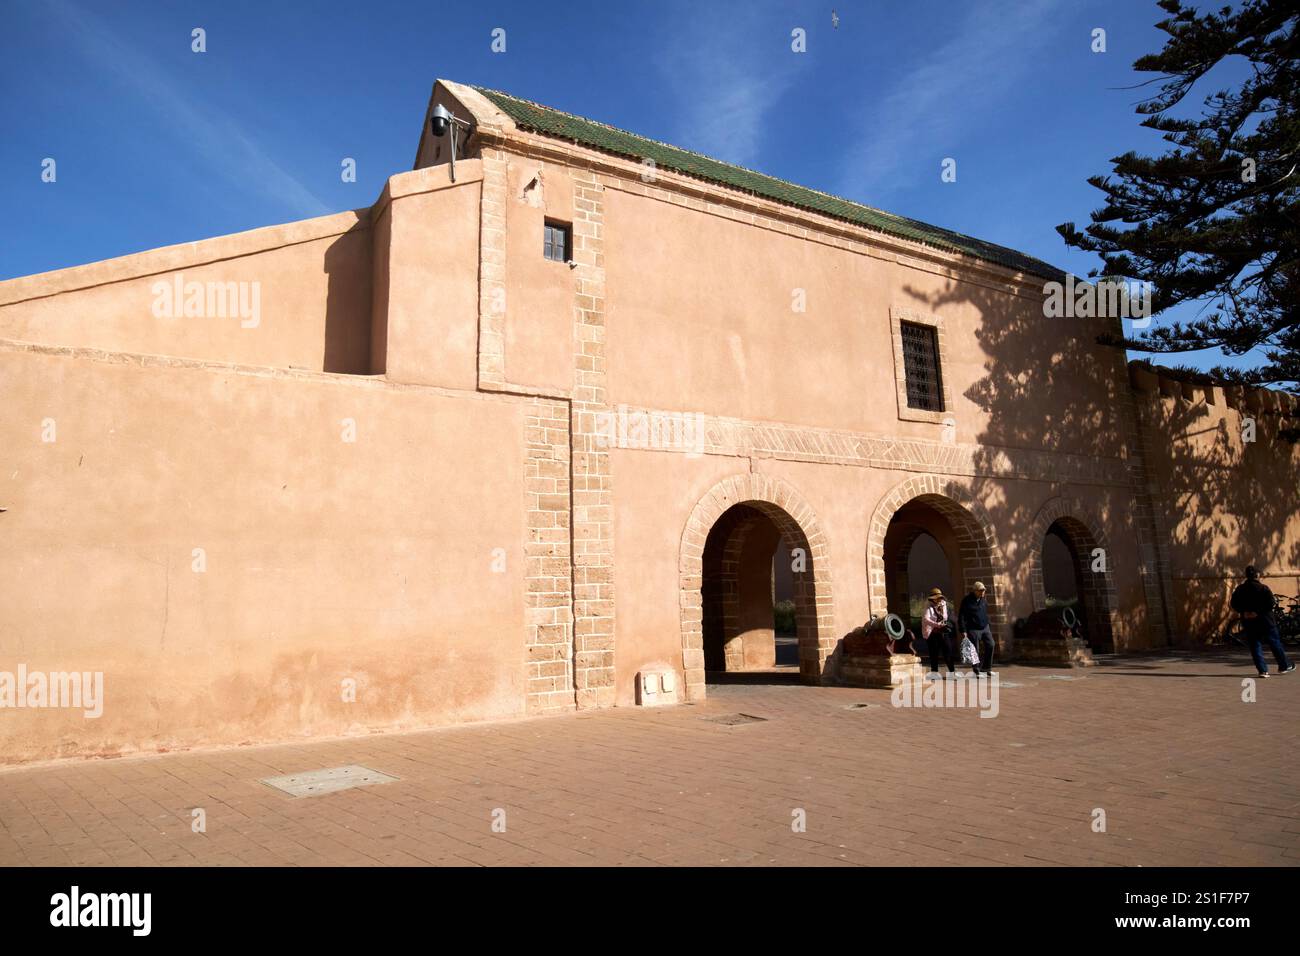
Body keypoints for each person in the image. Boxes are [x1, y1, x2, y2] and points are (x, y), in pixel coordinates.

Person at [1230, 565, 1295, 678]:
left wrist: (1245, 612)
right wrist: (1258, 612)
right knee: (1274, 643)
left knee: (1255, 645)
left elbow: (1234, 603)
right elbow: (1271, 603)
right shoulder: (1263, 588)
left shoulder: (1240, 589)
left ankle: (1263, 670)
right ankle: (1284, 666)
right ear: (1257, 575)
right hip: (1266, 621)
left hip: (1249, 621)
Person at [958, 581, 995, 677]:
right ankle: (976, 670)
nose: (983, 592)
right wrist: (963, 630)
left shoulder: (983, 600)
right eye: (980, 590)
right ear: (975, 591)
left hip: (985, 627)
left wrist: (988, 624)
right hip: (973, 628)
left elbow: (984, 612)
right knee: (975, 650)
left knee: (991, 644)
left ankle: (986, 668)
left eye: (984, 590)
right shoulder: (967, 601)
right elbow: (961, 616)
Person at [922, 587, 956, 678]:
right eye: (937, 598)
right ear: (932, 599)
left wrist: (943, 622)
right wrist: (936, 624)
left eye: (940, 598)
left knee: (948, 652)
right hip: (932, 633)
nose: (939, 599)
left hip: (943, 632)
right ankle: (934, 673)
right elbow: (926, 619)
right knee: (934, 654)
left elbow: (945, 616)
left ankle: (952, 673)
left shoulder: (943, 604)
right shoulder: (928, 606)